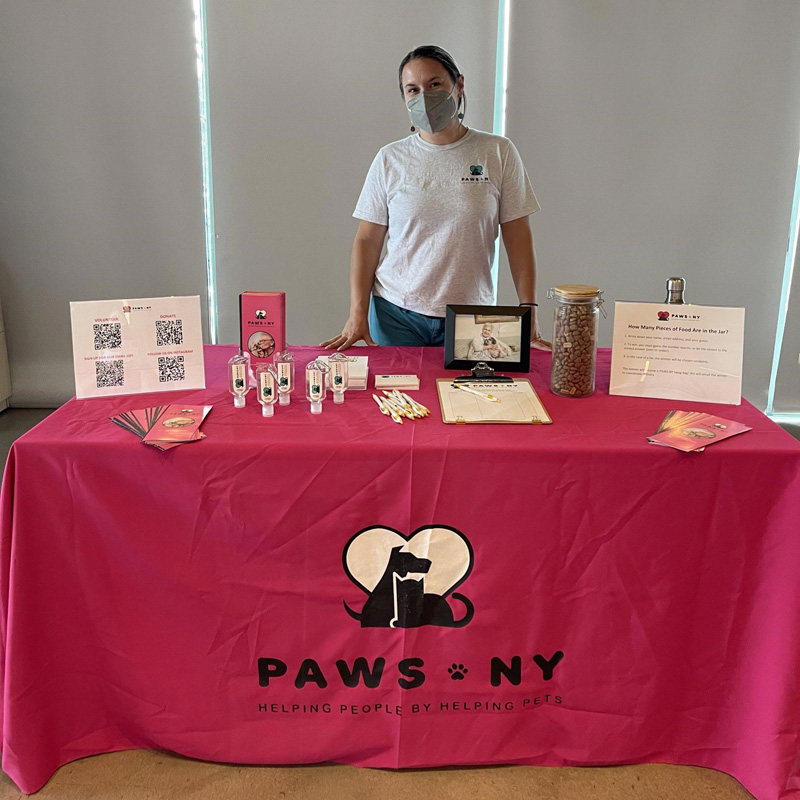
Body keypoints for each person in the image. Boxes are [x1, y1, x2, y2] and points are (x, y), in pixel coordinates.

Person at [321, 45, 551, 351]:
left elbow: (518, 237)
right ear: (404, 97)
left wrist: (529, 310)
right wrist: (357, 313)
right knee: (401, 398)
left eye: (434, 84)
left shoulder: (497, 152)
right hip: (395, 314)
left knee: (467, 397)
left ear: (459, 84)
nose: (424, 97)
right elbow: (367, 240)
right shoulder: (390, 159)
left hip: (471, 316)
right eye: (412, 89)